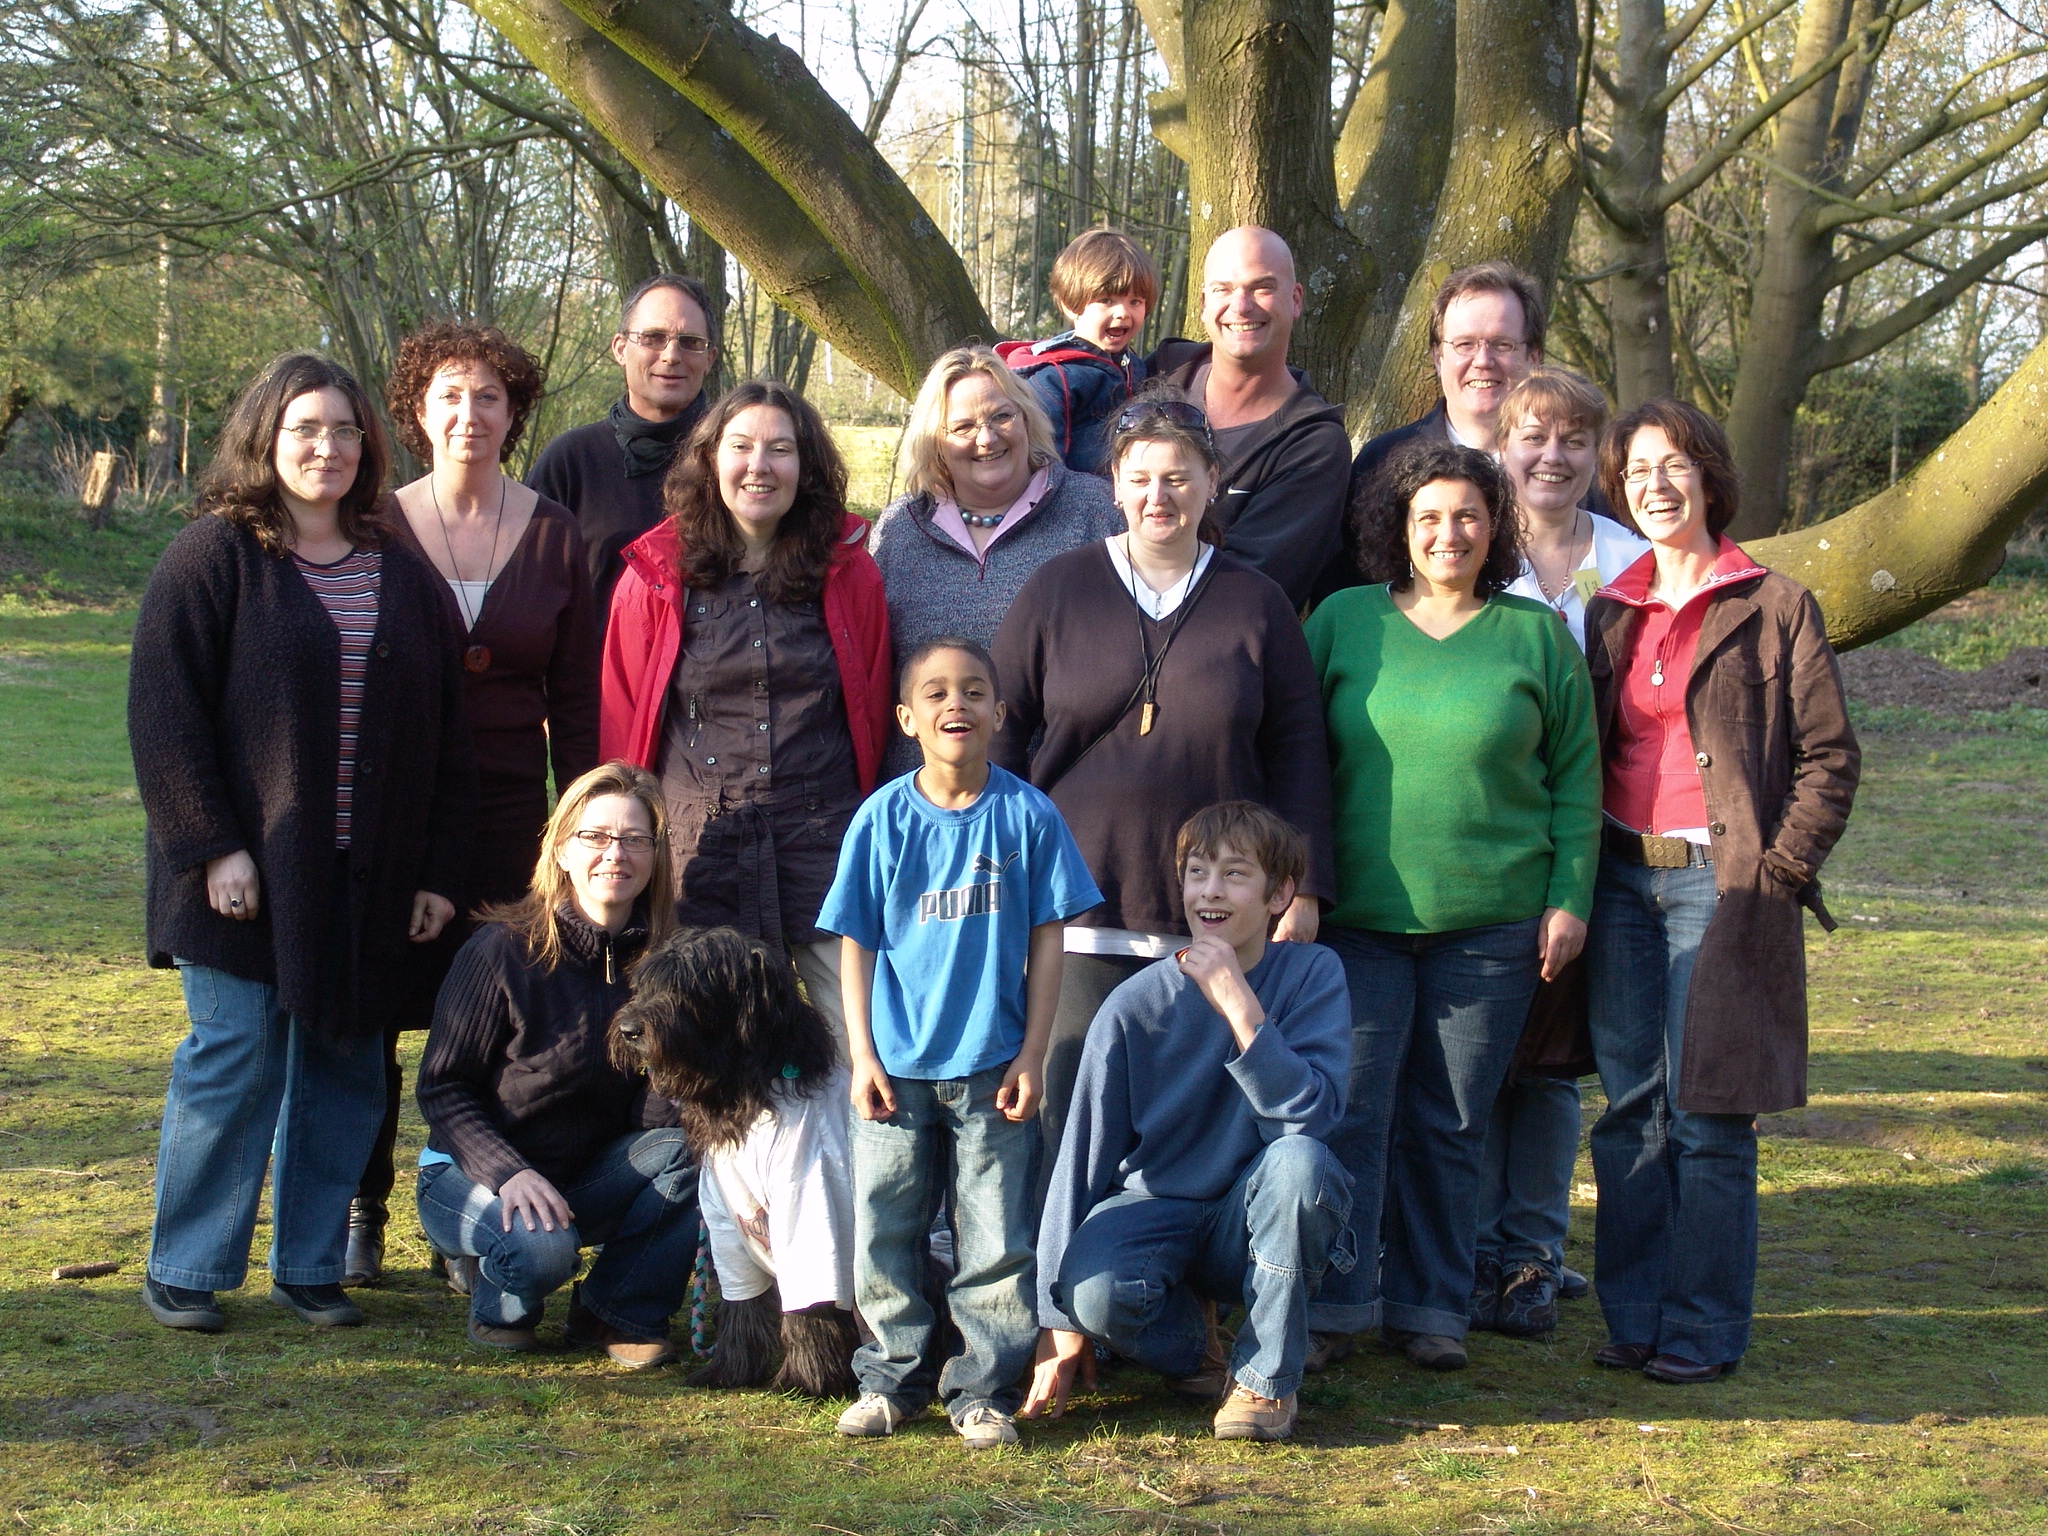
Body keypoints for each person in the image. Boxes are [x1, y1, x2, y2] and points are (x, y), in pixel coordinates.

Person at [128, 351, 474, 1334]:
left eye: (343, 431)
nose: (325, 448)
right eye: (304, 430)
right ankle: (189, 1266)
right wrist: (212, 848)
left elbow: (449, 738)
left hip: (367, 879)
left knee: (344, 1065)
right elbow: (165, 716)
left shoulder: (402, 577)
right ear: (266, 439)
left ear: (368, 448)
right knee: (231, 1056)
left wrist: (439, 874)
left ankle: (313, 1264)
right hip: (242, 872)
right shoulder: (213, 558)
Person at [1302, 441, 1600, 1373]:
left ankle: (1431, 1305)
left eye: (1467, 516)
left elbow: (1577, 778)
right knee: (1350, 1113)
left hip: (1493, 923)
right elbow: (1297, 758)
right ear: (1398, 527)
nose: (1447, 533)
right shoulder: (1345, 622)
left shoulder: (1534, 634)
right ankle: (1337, 1303)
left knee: (1452, 1120)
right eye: (1428, 516)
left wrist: (1569, 899)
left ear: (1494, 528)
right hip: (1359, 923)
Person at [1582, 399, 1858, 1384]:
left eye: (1673, 465)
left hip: (1721, 882)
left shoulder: (1774, 604)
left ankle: (1700, 1328)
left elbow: (1828, 757)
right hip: (1619, 878)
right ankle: (1634, 1316)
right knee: (1629, 1109)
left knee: (1707, 1113)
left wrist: (1775, 873)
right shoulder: (1608, 608)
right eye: (1635, 470)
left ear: (1707, 477)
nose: (1653, 485)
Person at [990, 392, 1334, 1162]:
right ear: (1113, 483)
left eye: (1179, 478)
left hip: (1214, 918)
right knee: (1068, 1125)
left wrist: (1305, 885)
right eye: (1141, 477)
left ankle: (1172, 1278)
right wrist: (1004, 878)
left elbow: (1299, 749)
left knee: (1193, 1132)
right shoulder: (1058, 589)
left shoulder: (1258, 603)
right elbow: (1002, 742)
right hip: (1077, 913)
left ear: (1212, 480)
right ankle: (1060, 1279)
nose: (1159, 496)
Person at [344, 321, 600, 1287]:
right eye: (450, 395)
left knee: (499, 1021)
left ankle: (480, 1206)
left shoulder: (555, 535)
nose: (469, 414)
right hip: (386, 810)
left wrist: (574, 833)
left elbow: (576, 708)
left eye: (488, 396)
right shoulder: (374, 528)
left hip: (510, 824)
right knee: (373, 1018)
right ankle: (362, 1208)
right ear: (417, 411)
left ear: (513, 414)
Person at [818, 638, 1102, 1449]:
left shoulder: (1027, 815)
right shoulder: (881, 820)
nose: (957, 706)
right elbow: (855, 944)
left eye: (975, 692)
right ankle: (891, 1379)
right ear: (907, 717)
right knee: (886, 1228)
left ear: (999, 713)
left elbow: (1049, 939)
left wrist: (1032, 1054)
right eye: (937, 693)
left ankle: (982, 1390)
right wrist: (863, 1055)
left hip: (991, 1068)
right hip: (896, 1072)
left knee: (993, 1238)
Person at [1024, 802, 1353, 1444]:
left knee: (1301, 1165)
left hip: (1254, 1216)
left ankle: (1265, 1382)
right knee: (1093, 1296)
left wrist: (1240, 1007)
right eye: (1197, 872)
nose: (1210, 890)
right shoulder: (1134, 1005)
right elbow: (1082, 1156)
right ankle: (1198, 1353)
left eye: (1235, 874)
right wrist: (1055, 1313)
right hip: (1158, 1208)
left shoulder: (1315, 975)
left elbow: (1310, 1118)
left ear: (1280, 893)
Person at [601, 380, 894, 1045]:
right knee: (706, 1059)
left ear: (806, 467)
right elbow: (624, 724)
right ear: (709, 461)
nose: (759, 466)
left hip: (829, 852)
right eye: (741, 447)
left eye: (780, 449)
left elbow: (873, 709)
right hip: (697, 854)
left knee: (861, 1050)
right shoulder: (653, 577)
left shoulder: (849, 572)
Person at [1470, 367, 1647, 1336]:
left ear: (1595, 453)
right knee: (1472, 1056)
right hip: (1486, 839)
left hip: (1592, 836)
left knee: (1544, 1063)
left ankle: (1530, 1253)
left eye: (1572, 440)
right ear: (1502, 446)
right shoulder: (1468, 553)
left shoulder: (1627, 562)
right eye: (1531, 437)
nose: (1550, 456)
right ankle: (1463, 1245)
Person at [414, 762, 696, 1368]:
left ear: (655, 856)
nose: (614, 854)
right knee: (541, 1252)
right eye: (594, 836)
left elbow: (659, 1117)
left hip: (583, 1175)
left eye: (634, 839)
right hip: (474, 1170)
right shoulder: (500, 949)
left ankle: (616, 1311)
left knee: (691, 1152)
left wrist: (662, 1071)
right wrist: (508, 1172)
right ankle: (497, 1294)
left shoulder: (666, 962)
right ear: (562, 849)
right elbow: (442, 1086)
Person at [611, 924, 858, 1397]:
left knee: (810, 1226)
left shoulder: (806, 1114)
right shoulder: (718, 1103)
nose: (634, 1019)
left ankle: (819, 1366)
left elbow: (817, 1239)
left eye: (677, 999)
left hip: (885, 1278)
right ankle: (742, 1353)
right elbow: (733, 1230)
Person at [868, 346, 1122, 780]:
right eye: (963, 426)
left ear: (1027, 418)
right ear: (935, 442)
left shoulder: (1096, 512)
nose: (986, 438)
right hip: (929, 807)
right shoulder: (898, 532)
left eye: (1002, 416)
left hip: (1058, 799)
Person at [1315, 261, 1546, 603]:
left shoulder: (1569, 469)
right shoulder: (1381, 465)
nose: (1483, 360)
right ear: (1438, 357)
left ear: (1535, 357)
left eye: (1502, 345)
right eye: (1464, 344)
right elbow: (1345, 592)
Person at [1148, 227, 1352, 609]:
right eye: (1224, 289)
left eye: (1261, 287)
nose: (1241, 306)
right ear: (1204, 303)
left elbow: (1246, 593)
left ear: (1295, 300)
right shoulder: (1149, 383)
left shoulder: (1313, 447)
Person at [529, 273, 721, 623]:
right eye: (653, 338)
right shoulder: (572, 462)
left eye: (690, 342)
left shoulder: (734, 461)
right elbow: (531, 595)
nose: (671, 355)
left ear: (709, 358)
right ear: (620, 348)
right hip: (598, 674)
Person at [995, 227, 1158, 473]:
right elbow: (1043, 459)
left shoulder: (1134, 366)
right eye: (1107, 301)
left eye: (1135, 302)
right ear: (1071, 305)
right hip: (1076, 501)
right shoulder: (1056, 377)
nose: (1123, 312)